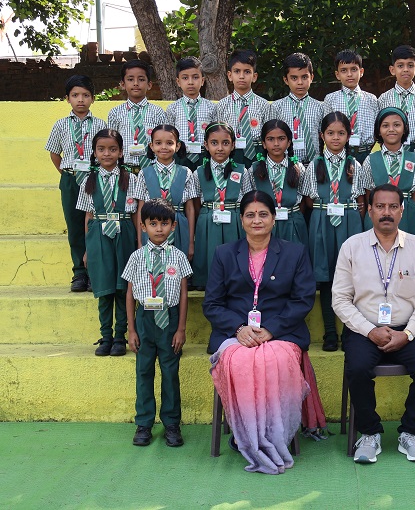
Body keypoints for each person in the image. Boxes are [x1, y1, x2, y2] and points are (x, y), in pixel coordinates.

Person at [204, 190, 327, 474]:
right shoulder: (224, 254)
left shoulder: (295, 253)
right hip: (236, 334)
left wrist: (271, 329)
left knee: (274, 360)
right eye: (250, 215)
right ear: (241, 220)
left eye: (263, 214)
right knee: (240, 361)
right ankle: (246, 433)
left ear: (274, 218)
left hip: (281, 332)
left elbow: (303, 300)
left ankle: (273, 433)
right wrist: (239, 328)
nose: (256, 220)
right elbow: (212, 304)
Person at [331, 183, 415, 464]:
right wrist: (370, 331)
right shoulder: (352, 247)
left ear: (402, 211)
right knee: (357, 369)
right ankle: (369, 433)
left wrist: (409, 333)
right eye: (380, 206)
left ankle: (411, 432)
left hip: (406, 330)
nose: (386, 212)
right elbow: (340, 299)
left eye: (393, 207)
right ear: (369, 211)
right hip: (363, 330)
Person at [122, 199, 192, 447]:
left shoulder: (179, 257)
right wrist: (131, 329)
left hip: (169, 319)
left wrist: (181, 329)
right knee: (144, 371)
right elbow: (130, 295)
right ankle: (144, 423)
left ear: (173, 226)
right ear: (143, 226)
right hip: (145, 319)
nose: (159, 228)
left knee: (170, 373)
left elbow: (183, 294)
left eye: (164, 223)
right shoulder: (136, 257)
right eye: (153, 223)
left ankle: (172, 424)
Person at [298, 111, 365, 352]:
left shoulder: (355, 165)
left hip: (349, 222)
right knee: (326, 278)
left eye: (341, 133)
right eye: (330, 133)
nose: (335, 138)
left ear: (348, 136)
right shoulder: (313, 166)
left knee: (350, 277)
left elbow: (361, 199)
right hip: (322, 221)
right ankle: (329, 332)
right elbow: (307, 200)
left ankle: (349, 331)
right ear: (322, 135)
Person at [77, 129, 141, 356]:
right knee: (104, 288)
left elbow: (136, 214)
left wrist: (139, 243)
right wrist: (87, 249)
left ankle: (120, 337)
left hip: (124, 232)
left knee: (122, 288)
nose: (107, 154)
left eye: (112, 149)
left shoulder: (130, 178)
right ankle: (106, 336)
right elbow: (88, 216)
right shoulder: (88, 180)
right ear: (94, 153)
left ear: (121, 152)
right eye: (101, 149)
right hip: (98, 234)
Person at [46, 74, 108, 292]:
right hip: (71, 179)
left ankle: (93, 272)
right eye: (75, 95)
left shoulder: (101, 124)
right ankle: (79, 273)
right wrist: (66, 173)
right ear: (67, 99)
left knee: (94, 225)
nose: (80, 99)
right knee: (74, 227)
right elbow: (54, 153)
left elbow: (106, 150)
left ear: (93, 98)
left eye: (85, 95)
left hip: (94, 178)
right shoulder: (60, 125)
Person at [189, 122, 253, 293]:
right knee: (209, 256)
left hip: (235, 220)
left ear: (233, 145)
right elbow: (196, 203)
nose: (219, 148)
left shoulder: (242, 171)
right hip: (208, 220)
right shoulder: (198, 172)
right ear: (206, 145)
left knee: (235, 258)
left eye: (225, 143)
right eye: (214, 143)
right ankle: (207, 283)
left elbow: (248, 201)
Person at [134, 124, 199, 261]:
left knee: (177, 266)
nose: (163, 147)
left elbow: (190, 209)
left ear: (178, 146)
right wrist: (140, 241)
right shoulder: (144, 173)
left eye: (169, 143)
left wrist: (191, 242)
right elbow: (140, 209)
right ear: (151, 146)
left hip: (179, 227)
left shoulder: (186, 172)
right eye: (158, 143)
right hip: (152, 226)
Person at [359, 107, 415, 236]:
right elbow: (368, 193)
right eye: (385, 126)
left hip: (407, 214)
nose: (391, 129)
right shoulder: (370, 159)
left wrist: (409, 208)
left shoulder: (413, 158)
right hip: (379, 214)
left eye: (396, 125)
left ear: (404, 129)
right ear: (378, 131)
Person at [247, 119, 308, 245]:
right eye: (270, 139)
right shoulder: (254, 169)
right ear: (263, 143)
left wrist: (294, 216)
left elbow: (304, 200)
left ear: (289, 142)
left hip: (293, 223)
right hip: (265, 224)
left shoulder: (298, 168)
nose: (276, 143)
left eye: (281, 139)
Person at [214, 50, 273, 169]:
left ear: (254, 77)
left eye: (247, 72)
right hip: (231, 152)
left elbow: (270, 134)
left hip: (258, 153)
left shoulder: (264, 105)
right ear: (230, 75)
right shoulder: (222, 105)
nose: (241, 76)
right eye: (237, 71)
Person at [107, 60, 167, 172]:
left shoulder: (158, 112)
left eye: (141, 79)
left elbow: (164, 140)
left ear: (149, 85)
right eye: (130, 79)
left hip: (152, 169)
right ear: (123, 84)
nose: (136, 83)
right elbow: (112, 143)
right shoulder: (115, 113)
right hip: (125, 170)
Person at [323, 50, 380, 162]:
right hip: (340, 152)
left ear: (361, 72)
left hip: (366, 153)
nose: (349, 74)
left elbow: (377, 128)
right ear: (337, 75)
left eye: (354, 69)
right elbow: (326, 128)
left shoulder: (371, 99)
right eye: (344, 70)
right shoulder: (330, 99)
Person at [271, 52, 327, 163]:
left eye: (304, 77)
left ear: (311, 77)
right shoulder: (276, 107)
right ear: (286, 80)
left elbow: (324, 136)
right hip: (287, 164)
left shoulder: (320, 107)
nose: (300, 82)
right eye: (294, 78)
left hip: (314, 164)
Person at [377, 45, 415, 150]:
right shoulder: (383, 99)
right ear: (392, 70)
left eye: (410, 65)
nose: (405, 70)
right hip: (392, 149)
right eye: (400, 66)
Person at [165, 57, 217, 171]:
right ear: (178, 82)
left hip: (205, 156)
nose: (190, 82)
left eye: (195, 77)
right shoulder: (173, 108)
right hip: (181, 156)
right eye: (185, 78)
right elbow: (168, 136)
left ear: (202, 81)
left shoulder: (211, 107)